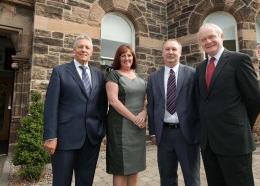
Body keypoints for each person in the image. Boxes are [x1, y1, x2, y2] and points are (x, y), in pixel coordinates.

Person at [195, 23, 260, 186]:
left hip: (235, 141)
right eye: (203, 39)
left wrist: (242, 126)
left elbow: (254, 100)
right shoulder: (200, 68)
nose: (208, 41)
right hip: (209, 143)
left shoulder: (238, 60)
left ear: (221, 37)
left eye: (211, 37)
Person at [43, 35, 108, 186]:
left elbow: (102, 105)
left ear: (92, 52)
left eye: (87, 47)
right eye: (80, 47)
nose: (84, 50)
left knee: (85, 181)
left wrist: (101, 129)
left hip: (91, 139)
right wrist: (50, 136)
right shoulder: (60, 72)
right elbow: (51, 106)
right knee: (61, 182)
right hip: (65, 138)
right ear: (74, 50)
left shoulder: (99, 75)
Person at [147, 39, 201, 186]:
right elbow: (151, 107)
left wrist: (199, 131)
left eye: (174, 49)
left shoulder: (193, 74)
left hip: (187, 134)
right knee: (167, 177)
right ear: (162, 53)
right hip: (164, 134)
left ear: (180, 53)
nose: (171, 52)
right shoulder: (153, 77)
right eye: (167, 49)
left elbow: (199, 104)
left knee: (192, 177)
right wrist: (153, 132)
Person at [105, 44, 147, 186]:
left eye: (129, 55)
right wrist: (135, 118)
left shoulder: (139, 78)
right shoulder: (113, 75)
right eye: (123, 55)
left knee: (135, 166)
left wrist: (144, 112)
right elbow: (113, 101)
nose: (127, 58)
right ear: (118, 58)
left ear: (133, 58)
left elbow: (145, 100)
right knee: (120, 168)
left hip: (137, 128)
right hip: (120, 127)